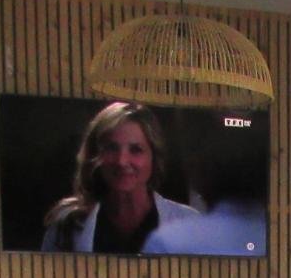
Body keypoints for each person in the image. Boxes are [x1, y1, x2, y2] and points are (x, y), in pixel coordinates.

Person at [41, 102, 208, 255]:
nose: (121, 161)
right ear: (94, 156)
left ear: (154, 157)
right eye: (111, 148)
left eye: (135, 150)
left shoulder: (190, 223)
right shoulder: (66, 224)